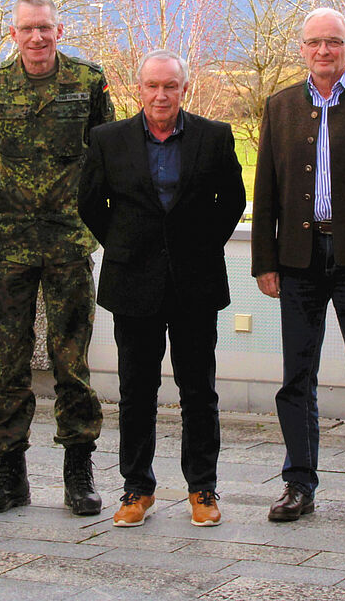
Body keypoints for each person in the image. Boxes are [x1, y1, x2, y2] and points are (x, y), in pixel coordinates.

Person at [251, 7, 345, 525]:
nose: (324, 51)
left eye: (333, 42)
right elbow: (267, 189)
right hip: (298, 260)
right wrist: (265, 262)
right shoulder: (279, 106)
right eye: (315, 42)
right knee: (297, 376)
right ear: (302, 48)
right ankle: (298, 483)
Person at [78, 50, 246, 528]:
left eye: (170, 86)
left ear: (184, 89)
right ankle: (136, 488)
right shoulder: (108, 139)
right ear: (139, 89)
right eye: (152, 86)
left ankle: (202, 488)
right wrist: (128, 243)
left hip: (196, 282)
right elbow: (91, 203)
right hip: (134, 282)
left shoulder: (213, 137)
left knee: (199, 391)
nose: (160, 94)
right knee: (136, 390)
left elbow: (231, 200)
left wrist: (198, 244)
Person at [0, 0, 114, 517]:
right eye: (27, 29)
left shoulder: (88, 81)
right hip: (11, 243)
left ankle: (78, 468)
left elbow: (106, 157)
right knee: (8, 361)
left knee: (71, 360)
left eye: (45, 28)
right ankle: (9, 469)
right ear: (14, 34)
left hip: (69, 243)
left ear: (60, 30)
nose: (37, 37)